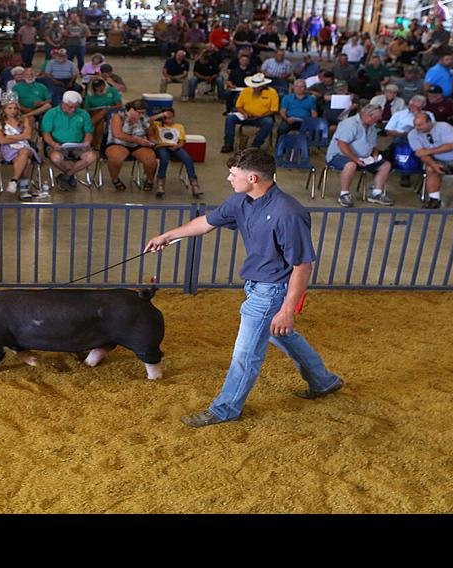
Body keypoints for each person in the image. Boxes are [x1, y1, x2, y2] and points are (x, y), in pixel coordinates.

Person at [144, 147, 343, 428]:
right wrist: (167, 236)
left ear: (253, 178)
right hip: (256, 285)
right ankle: (324, 382)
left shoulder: (287, 213)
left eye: (233, 174)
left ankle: (225, 409)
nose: (228, 178)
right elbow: (206, 223)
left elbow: (302, 266)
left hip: (272, 290)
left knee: (245, 354)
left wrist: (287, 308)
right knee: (282, 336)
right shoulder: (241, 201)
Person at [328, 103, 394, 207]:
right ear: (370, 115)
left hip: (364, 158)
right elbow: (342, 144)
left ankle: (376, 193)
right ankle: (344, 194)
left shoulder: (372, 126)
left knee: (386, 165)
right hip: (339, 155)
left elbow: (374, 145)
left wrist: (375, 155)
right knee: (351, 165)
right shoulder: (350, 124)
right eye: (377, 117)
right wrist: (355, 159)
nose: (379, 119)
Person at [41, 89, 96, 190]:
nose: (74, 109)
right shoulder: (51, 114)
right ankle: (69, 175)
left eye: (76, 107)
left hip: (78, 145)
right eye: (71, 107)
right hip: (58, 144)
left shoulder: (83, 114)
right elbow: (46, 135)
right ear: (63, 103)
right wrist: (54, 144)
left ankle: (66, 175)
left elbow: (89, 132)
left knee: (91, 157)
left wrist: (87, 142)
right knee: (56, 158)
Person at [103, 99, 157, 192]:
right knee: (116, 158)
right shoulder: (118, 116)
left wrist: (152, 141)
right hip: (118, 143)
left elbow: (150, 134)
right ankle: (115, 179)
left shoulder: (144, 118)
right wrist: (136, 139)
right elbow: (117, 134)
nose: (141, 115)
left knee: (151, 160)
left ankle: (150, 179)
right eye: (139, 113)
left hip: (138, 144)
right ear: (132, 110)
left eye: (143, 113)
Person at [148, 107, 201, 199]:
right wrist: (161, 115)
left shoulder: (179, 126)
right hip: (161, 146)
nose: (168, 120)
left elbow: (182, 141)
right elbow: (148, 120)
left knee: (187, 159)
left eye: (170, 117)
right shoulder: (157, 125)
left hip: (175, 147)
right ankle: (160, 184)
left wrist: (177, 146)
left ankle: (194, 184)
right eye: (166, 118)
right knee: (164, 159)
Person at [0, 98, 41, 199]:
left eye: (15, 108)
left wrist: (9, 137)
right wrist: (20, 136)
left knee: (24, 151)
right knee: (27, 162)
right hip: (8, 149)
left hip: (24, 147)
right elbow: (2, 141)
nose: (13, 110)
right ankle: (24, 191)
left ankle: (14, 180)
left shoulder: (24, 119)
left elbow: (28, 136)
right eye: (10, 108)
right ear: (4, 109)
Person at [222, 74, 279, 153]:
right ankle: (228, 144)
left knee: (268, 122)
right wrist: (244, 113)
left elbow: (273, 110)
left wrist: (260, 116)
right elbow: (239, 106)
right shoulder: (246, 91)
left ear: (263, 85)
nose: (255, 88)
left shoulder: (272, 93)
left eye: (258, 86)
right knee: (230, 118)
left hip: (262, 117)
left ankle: (255, 146)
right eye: (254, 86)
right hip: (246, 115)